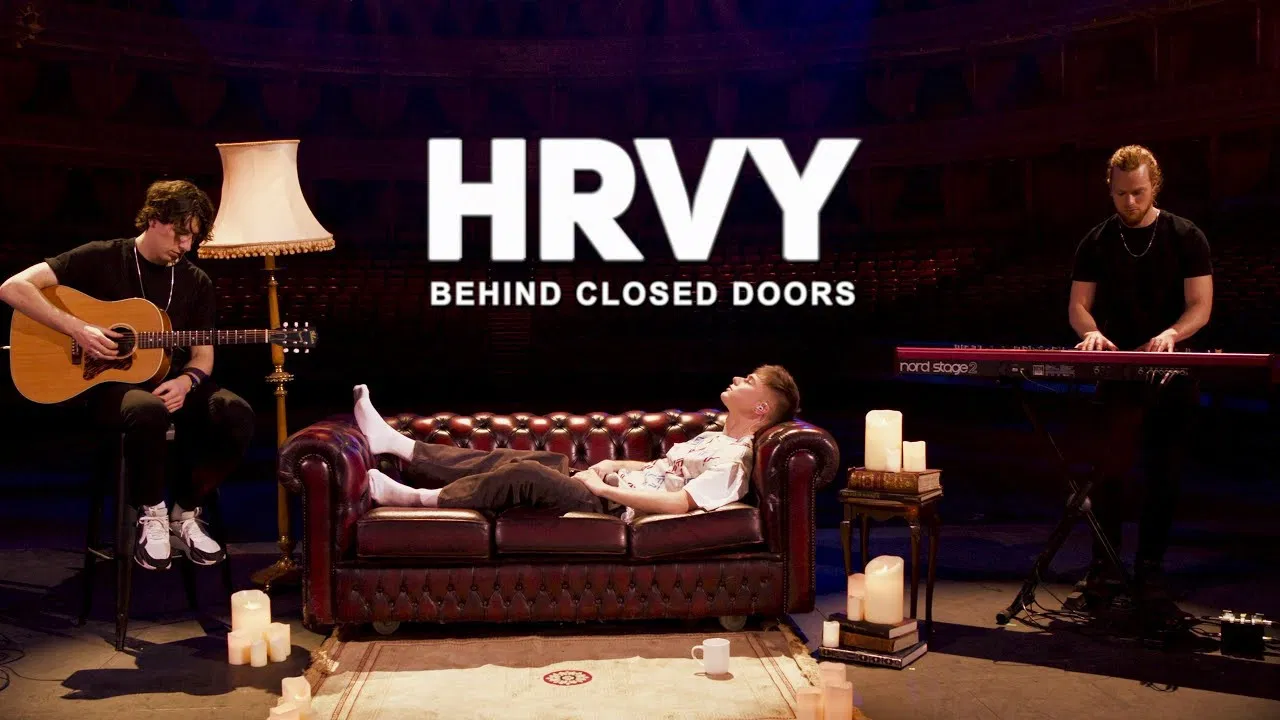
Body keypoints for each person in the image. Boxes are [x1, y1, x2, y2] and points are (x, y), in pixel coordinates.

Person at [0, 180, 255, 571]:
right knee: (147, 409)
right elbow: (12, 287)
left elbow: (203, 355)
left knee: (235, 413)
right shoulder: (102, 257)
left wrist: (187, 381)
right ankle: (150, 511)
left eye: (193, 237)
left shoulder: (196, 281)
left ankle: (185, 512)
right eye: (180, 233)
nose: (186, 246)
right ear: (154, 219)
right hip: (110, 386)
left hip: (171, 384)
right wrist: (77, 328)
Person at [350, 366, 801, 522]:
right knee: (523, 457)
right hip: (611, 488)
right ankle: (398, 445)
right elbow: (660, 470)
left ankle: (414, 499)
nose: (738, 378)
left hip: (613, 506)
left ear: (761, 407)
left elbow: (678, 504)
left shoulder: (735, 460)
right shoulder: (712, 437)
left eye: (749, 380)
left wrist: (602, 488)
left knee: (524, 475)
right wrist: (610, 467)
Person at [1067, 145, 1212, 612]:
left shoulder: (1185, 235)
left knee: (1162, 474)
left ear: (1156, 187)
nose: (1129, 202)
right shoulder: (1095, 241)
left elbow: (1200, 305)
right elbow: (1078, 306)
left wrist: (1172, 333)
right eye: (1120, 194)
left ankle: (1150, 567)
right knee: (1108, 474)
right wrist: (1091, 333)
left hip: (1171, 371)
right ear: (1109, 190)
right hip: (1117, 370)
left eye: (1138, 192)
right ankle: (1104, 566)